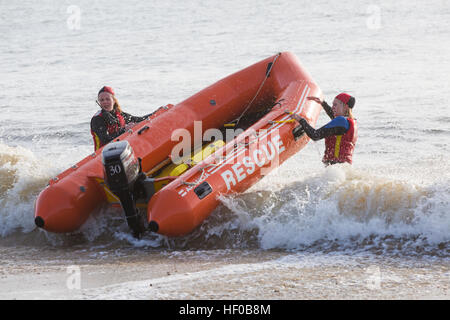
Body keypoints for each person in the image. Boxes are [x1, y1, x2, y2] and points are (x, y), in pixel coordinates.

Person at [290, 93, 358, 165]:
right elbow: (334, 118)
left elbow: (315, 135)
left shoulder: (340, 121)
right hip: (342, 167)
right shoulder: (350, 121)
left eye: (335, 105)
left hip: (335, 166)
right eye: (332, 105)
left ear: (345, 107)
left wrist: (300, 120)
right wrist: (323, 103)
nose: (332, 107)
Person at [90, 86, 150, 151]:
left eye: (107, 99)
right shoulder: (97, 119)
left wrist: (157, 112)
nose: (104, 102)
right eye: (102, 100)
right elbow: (106, 140)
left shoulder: (119, 114)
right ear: (99, 102)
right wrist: (124, 130)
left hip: (120, 150)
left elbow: (139, 119)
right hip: (103, 153)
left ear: (114, 101)